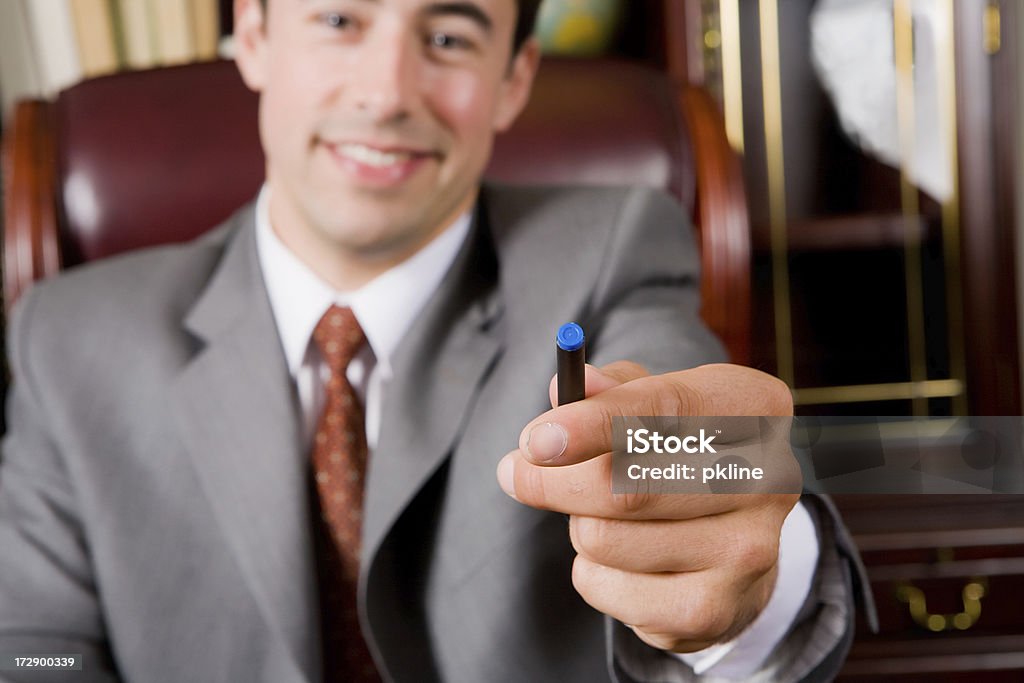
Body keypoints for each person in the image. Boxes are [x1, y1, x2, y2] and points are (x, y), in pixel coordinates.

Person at [0, 0, 872, 681]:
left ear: (514, 79)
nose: (386, 94)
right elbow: (30, 654)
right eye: (339, 21)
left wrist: (742, 564)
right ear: (255, 38)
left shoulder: (610, 257)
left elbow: (704, 464)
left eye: (450, 37)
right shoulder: (67, 336)